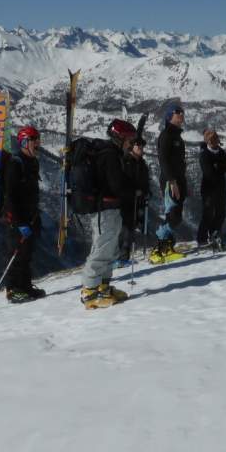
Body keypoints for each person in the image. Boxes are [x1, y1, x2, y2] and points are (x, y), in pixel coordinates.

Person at [80, 119, 137, 309]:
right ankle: (89, 291)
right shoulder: (110, 155)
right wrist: (132, 190)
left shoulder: (113, 153)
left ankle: (103, 286)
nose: (131, 144)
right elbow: (116, 185)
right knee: (101, 249)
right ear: (120, 138)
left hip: (110, 208)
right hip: (103, 209)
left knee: (110, 250)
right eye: (129, 139)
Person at [2, 125, 45, 303]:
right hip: (17, 218)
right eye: (34, 140)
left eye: (38, 140)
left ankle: (25, 286)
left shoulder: (32, 162)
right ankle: (13, 289)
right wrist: (19, 222)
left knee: (27, 253)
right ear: (25, 142)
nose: (38, 144)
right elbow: (10, 196)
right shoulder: (15, 163)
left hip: (30, 215)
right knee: (17, 254)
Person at [150, 103, 188, 263]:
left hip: (178, 179)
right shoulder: (166, 136)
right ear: (169, 116)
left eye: (182, 112)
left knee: (175, 215)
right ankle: (158, 248)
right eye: (177, 112)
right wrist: (172, 181)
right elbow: (163, 160)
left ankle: (168, 248)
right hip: (170, 181)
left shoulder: (177, 136)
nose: (181, 114)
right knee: (174, 216)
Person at [116, 134, 151, 267]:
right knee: (126, 228)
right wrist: (133, 192)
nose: (141, 148)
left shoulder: (141, 163)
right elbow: (122, 181)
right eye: (138, 145)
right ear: (132, 147)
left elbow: (145, 181)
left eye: (142, 146)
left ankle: (124, 256)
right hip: (126, 201)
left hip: (138, 200)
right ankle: (121, 257)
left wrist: (146, 192)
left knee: (131, 227)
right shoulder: (125, 161)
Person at [197, 129, 226, 247]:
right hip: (208, 189)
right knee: (207, 214)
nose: (214, 141)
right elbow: (209, 172)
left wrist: (218, 166)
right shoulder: (204, 154)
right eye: (211, 139)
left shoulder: (221, 152)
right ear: (207, 141)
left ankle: (214, 234)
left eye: (215, 139)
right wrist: (221, 167)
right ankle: (201, 238)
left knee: (221, 213)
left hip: (220, 188)